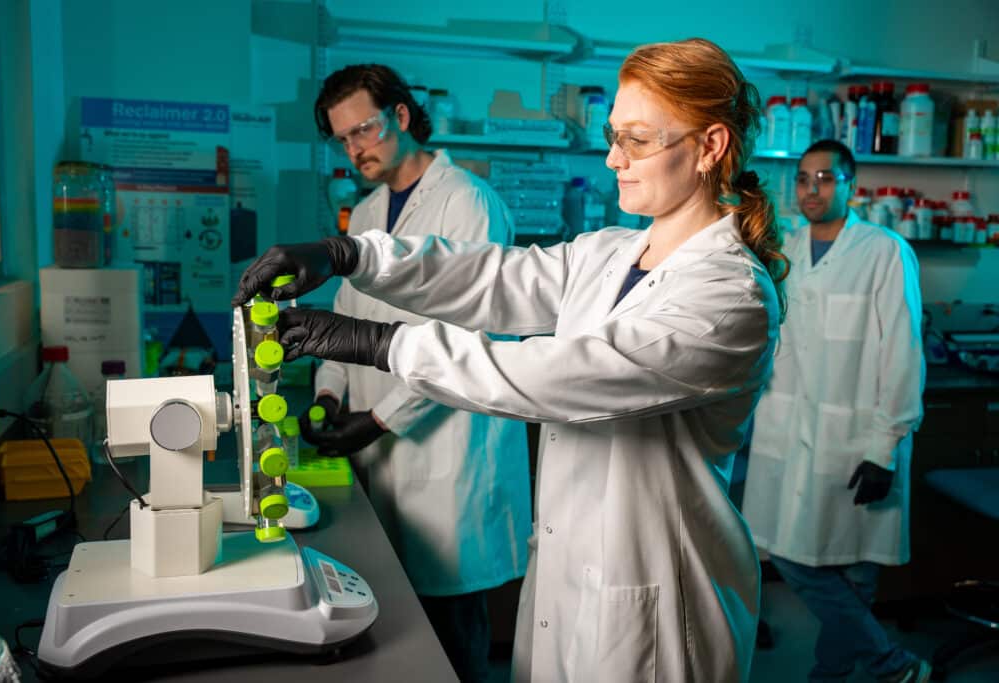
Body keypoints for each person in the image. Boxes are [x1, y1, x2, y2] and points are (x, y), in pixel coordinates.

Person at [234, 38, 788, 682]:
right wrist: (351, 256)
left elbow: (559, 374)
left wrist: (377, 344)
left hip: (658, 596)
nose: (613, 158)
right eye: (614, 136)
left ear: (710, 146)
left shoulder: (729, 295)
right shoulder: (610, 252)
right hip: (568, 576)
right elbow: (492, 276)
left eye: (636, 140)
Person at [291, 64, 533, 683]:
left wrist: (377, 419)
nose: (355, 148)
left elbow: (467, 336)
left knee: (452, 635)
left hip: (448, 455)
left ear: (401, 116)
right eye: (342, 138)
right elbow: (345, 316)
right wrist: (325, 395)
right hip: (381, 453)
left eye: (364, 129)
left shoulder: (468, 202)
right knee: (396, 627)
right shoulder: (367, 211)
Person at [742, 139, 929, 683]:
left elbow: (901, 349)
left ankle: (834, 675)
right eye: (803, 179)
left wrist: (885, 445)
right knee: (793, 555)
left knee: (855, 574)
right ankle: (890, 665)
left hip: (861, 434)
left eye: (825, 178)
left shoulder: (884, 250)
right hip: (787, 429)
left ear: (851, 184)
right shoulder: (782, 250)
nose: (812, 189)